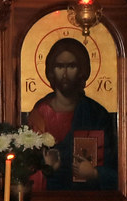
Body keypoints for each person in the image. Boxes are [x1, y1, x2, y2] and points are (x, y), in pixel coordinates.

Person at [27, 37, 117, 191]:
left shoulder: (97, 114)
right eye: (59, 66)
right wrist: (45, 168)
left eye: (72, 66)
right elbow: (26, 166)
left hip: (89, 200)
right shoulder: (39, 113)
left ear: (82, 70)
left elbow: (116, 167)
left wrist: (95, 173)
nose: (65, 73)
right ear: (51, 71)